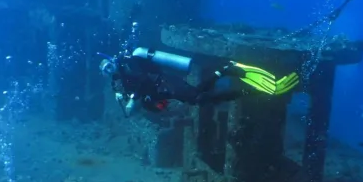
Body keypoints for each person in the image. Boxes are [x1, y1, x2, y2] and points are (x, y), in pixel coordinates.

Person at [100, 46, 299, 117]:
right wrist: (126, 100)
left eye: (108, 65)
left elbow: (143, 78)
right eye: (106, 71)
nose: (110, 70)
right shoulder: (119, 82)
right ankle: (224, 71)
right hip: (165, 90)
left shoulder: (129, 64)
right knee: (197, 95)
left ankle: (243, 84)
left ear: (111, 61)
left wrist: (135, 95)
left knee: (199, 98)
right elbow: (131, 109)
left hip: (166, 82)